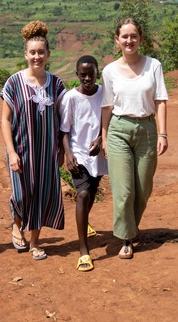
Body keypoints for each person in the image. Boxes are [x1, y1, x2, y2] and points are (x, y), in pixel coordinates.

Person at [101, 18, 169, 260]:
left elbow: (160, 100)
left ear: (140, 38)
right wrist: (104, 137)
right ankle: (126, 238)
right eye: (124, 36)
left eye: (133, 36)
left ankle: (131, 226)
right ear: (117, 40)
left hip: (148, 130)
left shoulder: (154, 66)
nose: (129, 40)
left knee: (142, 189)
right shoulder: (109, 71)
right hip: (119, 129)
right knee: (124, 190)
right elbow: (107, 106)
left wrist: (162, 133)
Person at [1, 20, 66, 261]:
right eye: (32, 52)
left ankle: (35, 242)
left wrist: (61, 150)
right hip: (20, 150)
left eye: (41, 52)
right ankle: (17, 225)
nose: (37, 56)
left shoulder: (57, 84)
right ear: (25, 54)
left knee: (42, 195)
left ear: (48, 54)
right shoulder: (14, 83)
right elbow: (5, 120)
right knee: (21, 194)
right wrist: (12, 151)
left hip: (47, 153)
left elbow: (63, 121)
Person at [60, 55, 108, 272]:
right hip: (78, 154)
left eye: (91, 73)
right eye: (83, 74)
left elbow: (108, 119)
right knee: (83, 194)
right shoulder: (70, 98)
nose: (87, 78)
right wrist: (68, 153)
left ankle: (84, 221)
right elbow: (65, 130)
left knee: (92, 191)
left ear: (97, 72)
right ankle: (83, 251)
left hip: (98, 155)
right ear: (77, 75)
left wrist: (100, 139)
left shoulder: (104, 94)